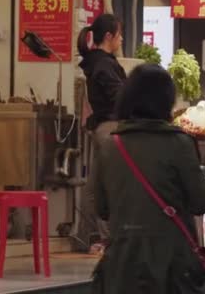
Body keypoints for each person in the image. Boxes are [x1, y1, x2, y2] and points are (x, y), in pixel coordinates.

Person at [90, 64, 205, 293]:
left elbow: (101, 208)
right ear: (166, 100)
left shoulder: (110, 146)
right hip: (172, 268)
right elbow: (201, 202)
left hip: (122, 266)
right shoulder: (180, 144)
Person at [77, 13, 126, 250]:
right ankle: (107, 239)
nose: (121, 39)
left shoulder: (97, 61)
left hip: (103, 128)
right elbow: (118, 96)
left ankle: (85, 236)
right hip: (111, 129)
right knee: (110, 186)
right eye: (119, 35)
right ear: (108, 36)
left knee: (95, 185)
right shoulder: (104, 64)